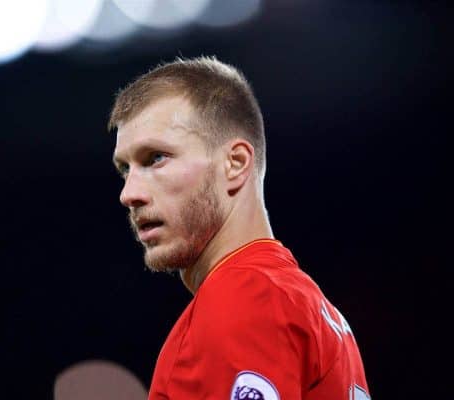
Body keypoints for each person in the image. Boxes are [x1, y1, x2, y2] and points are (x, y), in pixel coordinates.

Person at [108, 56, 371, 400]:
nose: (129, 195)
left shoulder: (244, 296)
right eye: (125, 169)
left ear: (235, 164)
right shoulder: (301, 300)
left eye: (155, 158)